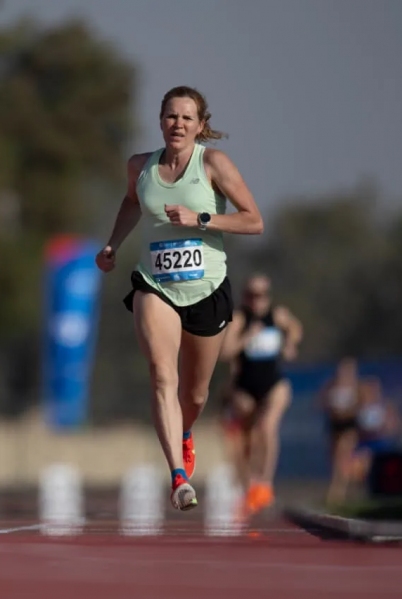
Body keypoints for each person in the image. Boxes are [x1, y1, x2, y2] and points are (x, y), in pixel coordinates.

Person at [95, 85, 264, 511]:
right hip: (155, 284)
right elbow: (132, 202)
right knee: (160, 375)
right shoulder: (140, 166)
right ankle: (177, 477)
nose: (178, 124)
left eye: (188, 118)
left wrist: (201, 218)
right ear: (160, 121)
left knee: (195, 395)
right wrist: (113, 244)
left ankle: (185, 433)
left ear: (201, 126)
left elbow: (253, 220)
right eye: (171, 116)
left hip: (207, 290)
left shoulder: (214, 164)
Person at [218, 274, 302, 514]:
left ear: (267, 296)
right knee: (246, 439)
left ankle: (265, 484)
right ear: (245, 296)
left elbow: (295, 328)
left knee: (267, 427)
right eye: (251, 295)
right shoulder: (239, 318)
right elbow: (225, 352)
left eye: (261, 295)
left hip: (274, 385)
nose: (256, 300)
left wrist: (290, 343)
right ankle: (249, 487)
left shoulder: (277, 315)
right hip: (245, 387)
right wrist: (246, 338)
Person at [317, 357, 363, 505]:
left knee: (343, 456)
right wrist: (332, 409)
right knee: (335, 457)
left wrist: (346, 411)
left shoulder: (357, 387)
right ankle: (340, 486)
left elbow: (360, 406)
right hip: (334, 424)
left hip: (349, 425)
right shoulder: (331, 386)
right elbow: (321, 402)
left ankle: (338, 491)